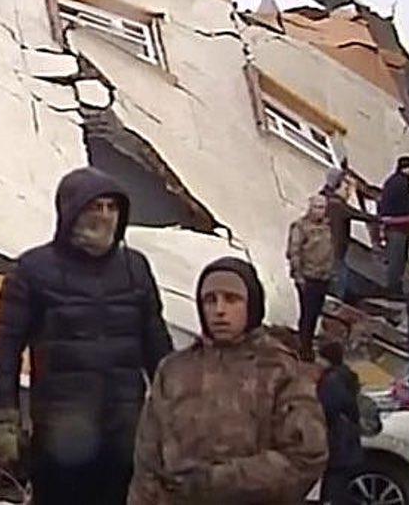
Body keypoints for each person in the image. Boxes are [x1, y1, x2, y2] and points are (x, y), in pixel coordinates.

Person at [0, 167, 175, 505]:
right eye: (95, 206)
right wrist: (6, 418)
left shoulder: (136, 267)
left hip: (125, 433)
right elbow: (6, 351)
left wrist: (175, 413)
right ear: (71, 210)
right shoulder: (32, 270)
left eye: (112, 207)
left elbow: (157, 346)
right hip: (61, 435)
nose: (105, 216)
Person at [128, 258, 328, 505]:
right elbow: (147, 461)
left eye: (232, 299)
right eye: (210, 300)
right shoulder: (174, 370)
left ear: (252, 305)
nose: (219, 310)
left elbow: (306, 457)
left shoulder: (279, 369)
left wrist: (219, 481)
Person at [288, 194, 336, 356]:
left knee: (315, 312)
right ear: (311, 208)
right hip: (307, 277)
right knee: (307, 314)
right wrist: (298, 275)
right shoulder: (301, 227)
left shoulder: (327, 227)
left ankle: (308, 342)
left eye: (323, 208)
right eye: (318, 207)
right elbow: (294, 251)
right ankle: (304, 347)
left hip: (323, 276)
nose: (321, 211)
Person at [317, 341, 364, 505]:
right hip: (348, 443)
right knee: (340, 488)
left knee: (334, 491)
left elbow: (329, 406)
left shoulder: (331, 381)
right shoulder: (345, 377)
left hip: (338, 444)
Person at [322, 169, 380, 302]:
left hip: (328, 250)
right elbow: (359, 215)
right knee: (339, 278)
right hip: (335, 251)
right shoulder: (337, 205)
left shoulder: (326, 199)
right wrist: (379, 219)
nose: (348, 190)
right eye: (346, 186)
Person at [378, 156, 409, 292]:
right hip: (400, 227)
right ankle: (393, 289)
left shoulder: (390, 182)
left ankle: (394, 287)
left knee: (395, 258)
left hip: (392, 226)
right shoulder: (403, 185)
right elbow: (408, 207)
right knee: (397, 260)